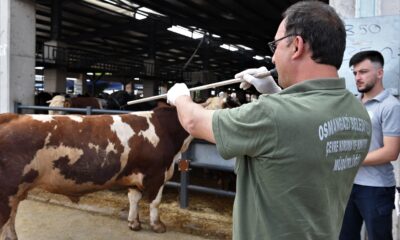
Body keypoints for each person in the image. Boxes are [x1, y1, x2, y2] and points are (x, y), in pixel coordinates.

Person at [167, 1, 372, 239]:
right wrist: (274, 91)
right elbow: (302, 131)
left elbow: (194, 122)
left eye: (275, 46)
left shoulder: (272, 114)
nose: (273, 58)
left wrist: (180, 97)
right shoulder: (357, 112)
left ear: (297, 46)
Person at [339, 51, 400, 240]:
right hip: (349, 185)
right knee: (345, 236)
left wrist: (351, 160)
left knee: (378, 237)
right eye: (355, 73)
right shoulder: (353, 103)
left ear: (380, 73)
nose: (358, 77)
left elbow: (391, 152)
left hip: (376, 188)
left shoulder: (390, 106)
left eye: (363, 72)